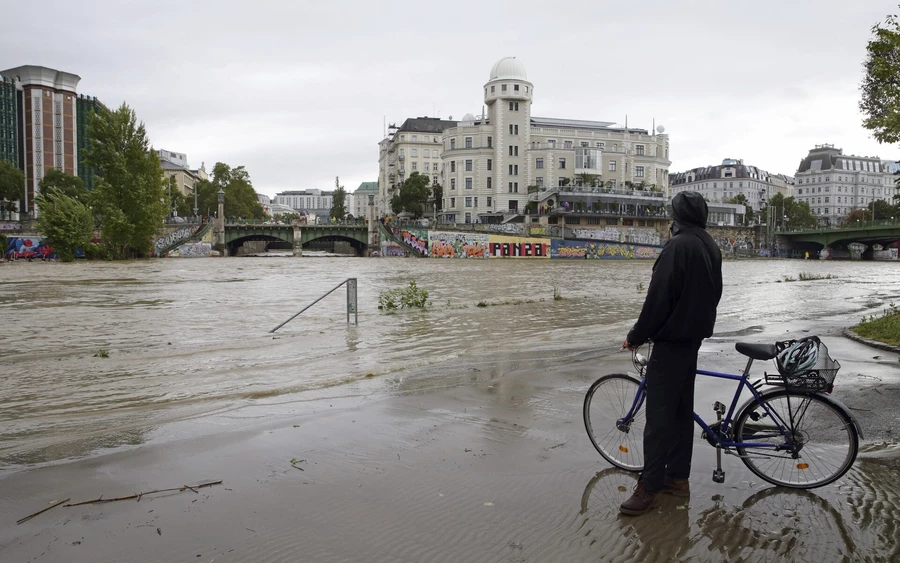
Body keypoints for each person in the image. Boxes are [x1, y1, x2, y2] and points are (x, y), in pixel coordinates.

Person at [619, 191, 723, 516]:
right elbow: (715, 293)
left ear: (676, 217)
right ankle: (678, 479)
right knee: (680, 415)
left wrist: (636, 335)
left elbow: (658, 299)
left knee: (659, 420)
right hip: (692, 340)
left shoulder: (677, 247)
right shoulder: (710, 245)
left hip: (671, 343)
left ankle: (649, 487)